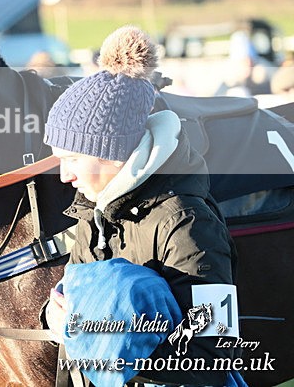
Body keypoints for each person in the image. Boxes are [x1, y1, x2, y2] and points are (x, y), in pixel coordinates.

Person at [42, 26, 240, 386]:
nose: (63, 176)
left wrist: (117, 349)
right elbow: (75, 300)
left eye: (71, 158)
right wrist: (55, 319)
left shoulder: (186, 223)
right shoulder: (92, 213)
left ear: (114, 153)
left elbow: (217, 351)